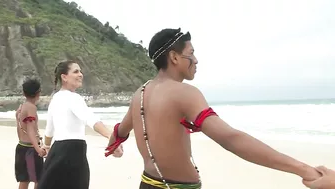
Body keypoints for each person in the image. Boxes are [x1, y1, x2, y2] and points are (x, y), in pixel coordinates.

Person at [105, 28, 321, 189]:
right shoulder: (185, 93)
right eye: (191, 53)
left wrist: (114, 145)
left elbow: (121, 131)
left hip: (147, 183)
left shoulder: (139, 95)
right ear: (174, 57)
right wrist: (303, 169)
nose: (196, 60)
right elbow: (230, 139)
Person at [37, 60, 123, 189]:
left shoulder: (56, 98)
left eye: (80, 71)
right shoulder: (74, 97)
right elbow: (90, 118)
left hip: (56, 153)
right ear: (64, 77)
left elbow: (49, 129)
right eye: (76, 71)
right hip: (73, 154)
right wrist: (112, 138)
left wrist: (47, 146)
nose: (81, 74)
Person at [14, 78, 46, 189]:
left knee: (24, 180)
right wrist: (38, 149)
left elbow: (21, 131)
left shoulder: (22, 107)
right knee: (38, 179)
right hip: (30, 150)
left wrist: (16, 118)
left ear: (23, 93)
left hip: (21, 147)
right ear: (38, 92)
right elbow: (31, 129)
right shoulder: (31, 108)